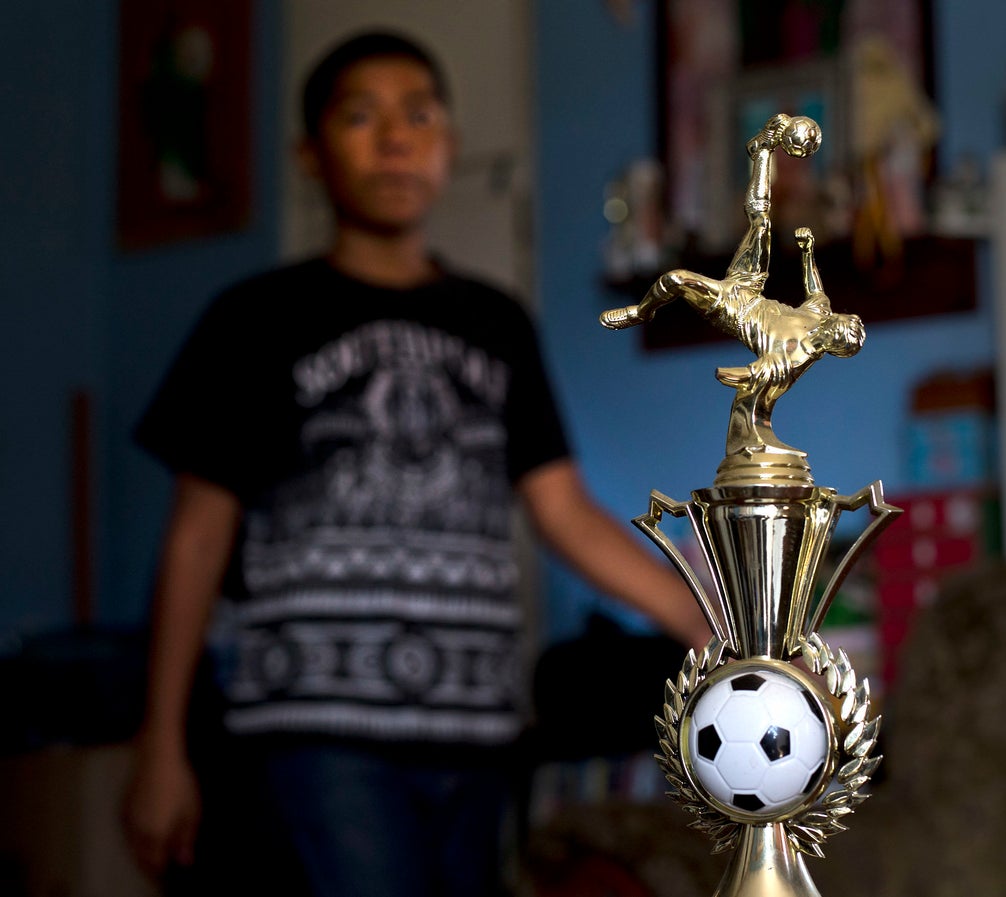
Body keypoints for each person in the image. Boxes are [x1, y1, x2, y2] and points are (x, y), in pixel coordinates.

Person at [121, 30, 707, 897]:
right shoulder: (253, 318)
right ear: (310, 156)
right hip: (317, 729)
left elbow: (563, 511)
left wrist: (707, 620)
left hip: (477, 729)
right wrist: (160, 742)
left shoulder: (498, 323)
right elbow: (197, 540)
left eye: (418, 115)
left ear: (449, 147)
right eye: (361, 116)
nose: (395, 137)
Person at [600, 114, 865, 459]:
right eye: (846, 321)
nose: (841, 322)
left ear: (834, 346)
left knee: (675, 280)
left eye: (842, 332)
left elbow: (762, 373)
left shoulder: (798, 354)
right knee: (761, 222)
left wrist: (735, 375)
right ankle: (762, 151)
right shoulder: (819, 313)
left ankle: (641, 310)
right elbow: (815, 288)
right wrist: (807, 251)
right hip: (750, 286)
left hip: (733, 307)